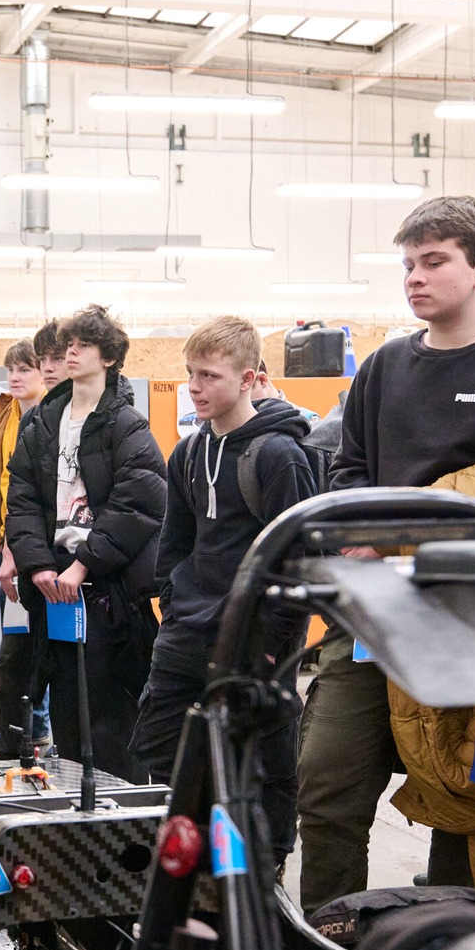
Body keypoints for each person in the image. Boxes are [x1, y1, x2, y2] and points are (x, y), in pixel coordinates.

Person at [296, 196, 475, 914]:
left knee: (460, 795)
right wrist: (361, 537)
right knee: (326, 782)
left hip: (459, 617)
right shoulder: (381, 367)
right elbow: (348, 469)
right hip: (370, 613)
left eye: (433, 261)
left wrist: (387, 533)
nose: (415, 277)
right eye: (408, 263)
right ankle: (329, 948)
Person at [135, 318, 317, 858]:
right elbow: (175, 544)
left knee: (262, 766)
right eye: (191, 374)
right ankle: (189, 865)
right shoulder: (187, 454)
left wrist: (267, 642)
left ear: (249, 379)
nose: (195, 387)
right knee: (160, 750)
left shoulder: (279, 455)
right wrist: (172, 607)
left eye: (210, 376)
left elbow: (297, 560)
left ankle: (265, 871)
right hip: (186, 634)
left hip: (255, 642)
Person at [7, 305, 167, 783]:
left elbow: (137, 506)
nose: (71, 352)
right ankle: (73, 807)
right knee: (67, 710)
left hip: (106, 589)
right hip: (53, 584)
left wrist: (82, 567)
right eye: (68, 344)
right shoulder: (41, 423)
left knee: (110, 711)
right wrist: (37, 565)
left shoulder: (127, 424)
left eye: (83, 345)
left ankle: (121, 814)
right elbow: (23, 497)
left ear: (110, 358)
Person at [0, 335, 53, 755]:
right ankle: (23, 730)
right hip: (9, 547)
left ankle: (38, 728)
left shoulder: (51, 417)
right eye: (11, 369)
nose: (15, 377)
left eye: (24, 369)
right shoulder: (5, 415)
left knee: (41, 651)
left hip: (42, 549)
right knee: (15, 646)